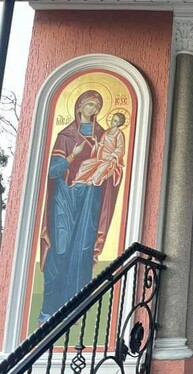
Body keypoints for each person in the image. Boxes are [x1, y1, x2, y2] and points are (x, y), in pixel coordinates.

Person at [38, 90, 121, 323]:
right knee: (60, 249)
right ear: (80, 106)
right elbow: (52, 171)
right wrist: (71, 157)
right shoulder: (66, 135)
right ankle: (49, 310)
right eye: (90, 105)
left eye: (97, 107)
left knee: (83, 250)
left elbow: (114, 166)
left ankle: (78, 308)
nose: (93, 110)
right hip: (64, 199)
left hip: (89, 199)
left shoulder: (103, 135)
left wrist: (112, 167)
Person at [73, 112, 126, 188]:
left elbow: (120, 147)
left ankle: (92, 180)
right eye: (112, 119)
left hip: (110, 160)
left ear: (118, 123)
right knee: (85, 163)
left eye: (114, 120)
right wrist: (95, 141)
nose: (112, 121)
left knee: (101, 168)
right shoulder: (107, 132)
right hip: (101, 157)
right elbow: (101, 144)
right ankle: (79, 179)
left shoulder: (119, 134)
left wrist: (113, 156)